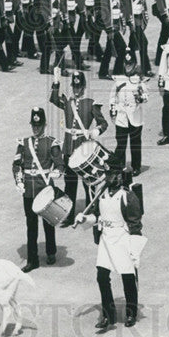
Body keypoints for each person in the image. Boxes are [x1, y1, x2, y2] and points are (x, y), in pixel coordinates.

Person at [78, 166, 144, 331]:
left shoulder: (127, 196)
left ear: (121, 177)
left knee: (127, 277)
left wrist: (135, 252)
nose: (110, 178)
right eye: (108, 175)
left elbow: (136, 224)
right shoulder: (101, 195)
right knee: (101, 277)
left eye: (114, 175)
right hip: (106, 239)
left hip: (122, 237)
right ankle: (108, 314)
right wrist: (84, 218)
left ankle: (131, 312)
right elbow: (97, 217)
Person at [50, 69, 109, 227]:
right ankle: (69, 216)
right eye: (74, 87)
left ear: (83, 87)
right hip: (69, 148)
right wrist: (56, 81)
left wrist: (96, 131)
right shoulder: (68, 103)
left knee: (88, 182)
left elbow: (103, 123)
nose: (76, 90)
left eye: (79, 87)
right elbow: (54, 98)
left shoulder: (90, 103)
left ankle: (91, 214)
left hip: (83, 149)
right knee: (70, 183)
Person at [13, 107, 64, 273]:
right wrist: (19, 182)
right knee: (31, 225)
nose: (36, 128)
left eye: (39, 125)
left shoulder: (51, 143)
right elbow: (16, 165)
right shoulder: (24, 143)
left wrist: (57, 172)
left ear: (44, 125)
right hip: (29, 190)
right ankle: (32, 260)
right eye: (34, 125)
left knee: (48, 222)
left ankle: (51, 252)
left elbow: (60, 164)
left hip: (45, 189)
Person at [108, 52, 148, 175]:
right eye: (126, 64)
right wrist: (112, 110)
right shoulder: (118, 79)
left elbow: (146, 96)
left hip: (135, 116)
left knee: (135, 143)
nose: (128, 66)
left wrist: (140, 97)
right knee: (121, 143)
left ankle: (136, 166)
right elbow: (112, 97)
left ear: (135, 65)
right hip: (121, 116)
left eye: (130, 64)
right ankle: (119, 166)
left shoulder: (139, 80)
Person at [122, 0, 152, 77]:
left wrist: (145, 15)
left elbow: (143, 2)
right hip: (133, 20)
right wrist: (130, 22)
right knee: (144, 43)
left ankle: (129, 63)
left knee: (132, 44)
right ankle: (145, 68)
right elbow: (126, 6)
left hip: (140, 18)